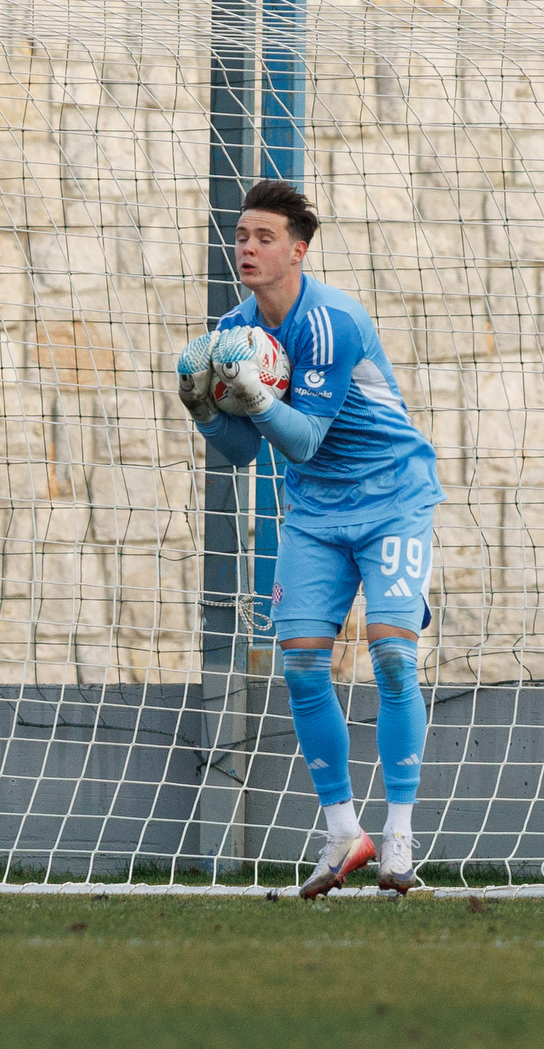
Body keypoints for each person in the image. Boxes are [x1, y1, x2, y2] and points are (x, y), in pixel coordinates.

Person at [177, 180, 445, 897]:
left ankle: (399, 838)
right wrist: (206, 409)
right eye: (241, 236)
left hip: (393, 498)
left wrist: (256, 396)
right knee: (299, 665)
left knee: (393, 657)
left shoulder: (331, 321)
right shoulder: (236, 329)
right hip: (315, 512)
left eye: (264, 238)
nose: (247, 248)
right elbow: (243, 453)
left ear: (298, 251)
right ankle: (343, 832)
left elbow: (302, 440)